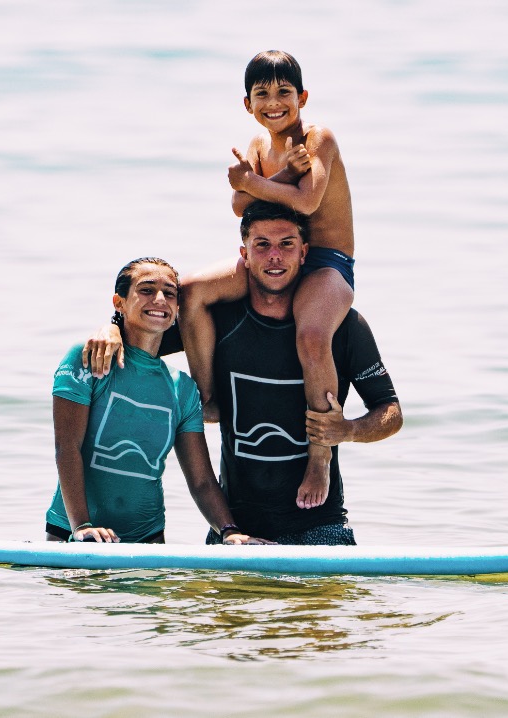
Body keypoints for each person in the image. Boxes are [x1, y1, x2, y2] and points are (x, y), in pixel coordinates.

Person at [84, 203, 402, 545]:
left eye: (287, 244)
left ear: (304, 253)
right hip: (234, 529)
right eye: (262, 245)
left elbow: (390, 412)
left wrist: (348, 430)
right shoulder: (218, 320)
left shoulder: (341, 327)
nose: (274, 256)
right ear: (244, 255)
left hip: (320, 524)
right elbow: (142, 335)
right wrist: (111, 328)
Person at [179, 50, 356, 512]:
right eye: (262, 94)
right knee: (191, 289)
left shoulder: (318, 138)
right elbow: (240, 207)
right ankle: (208, 397)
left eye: (284, 92)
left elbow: (308, 200)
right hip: (272, 255)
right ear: (247, 103)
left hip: (324, 261)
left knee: (312, 334)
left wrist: (252, 182)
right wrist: (277, 176)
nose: (274, 102)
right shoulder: (258, 146)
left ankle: (320, 455)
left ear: (303, 98)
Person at [46, 256, 267, 545]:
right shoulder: (88, 358)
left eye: (170, 293)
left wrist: (229, 530)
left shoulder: (182, 388)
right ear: (119, 302)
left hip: (148, 540)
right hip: (72, 533)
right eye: (147, 290)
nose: (160, 299)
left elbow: (201, 481)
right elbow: (66, 447)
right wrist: (82, 526)